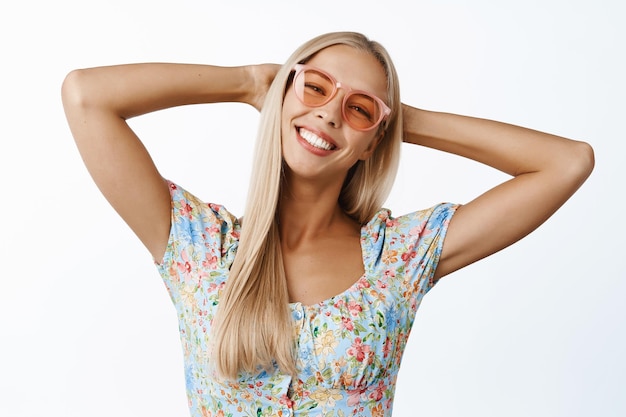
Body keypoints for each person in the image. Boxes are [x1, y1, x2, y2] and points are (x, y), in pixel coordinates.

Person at [61, 31, 594, 416]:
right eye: (315, 87)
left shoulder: (399, 258)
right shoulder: (200, 248)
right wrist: (250, 83)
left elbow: (566, 163)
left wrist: (403, 120)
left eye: (359, 108)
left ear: (372, 143)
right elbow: (86, 96)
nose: (331, 113)